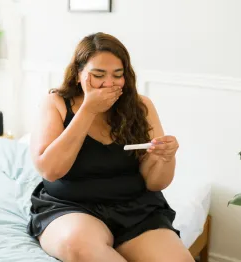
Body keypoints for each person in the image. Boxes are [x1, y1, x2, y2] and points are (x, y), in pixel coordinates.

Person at [26, 32, 194, 262]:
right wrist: (88, 110)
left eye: (118, 75)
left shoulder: (141, 106)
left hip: (134, 209)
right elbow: (50, 170)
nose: (109, 83)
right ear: (78, 74)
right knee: (80, 246)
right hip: (71, 207)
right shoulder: (56, 103)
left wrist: (166, 158)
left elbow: (156, 182)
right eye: (98, 75)